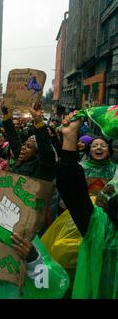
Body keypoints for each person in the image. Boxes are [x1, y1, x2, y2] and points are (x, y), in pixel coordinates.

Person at [56, 111, 118, 298]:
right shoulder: (101, 227)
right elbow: (70, 187)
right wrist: (69, 137)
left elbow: (71, 188)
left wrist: (69, 138)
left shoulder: (97, 225)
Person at [1, 103, 56, 182]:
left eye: (29, 146)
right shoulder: (21, 159)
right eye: (24, 145)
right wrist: (5, 114)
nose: (23, 147)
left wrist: (37, 119)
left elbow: (44, 146)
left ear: (37, 152)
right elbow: (13, 138)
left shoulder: (42, 168)